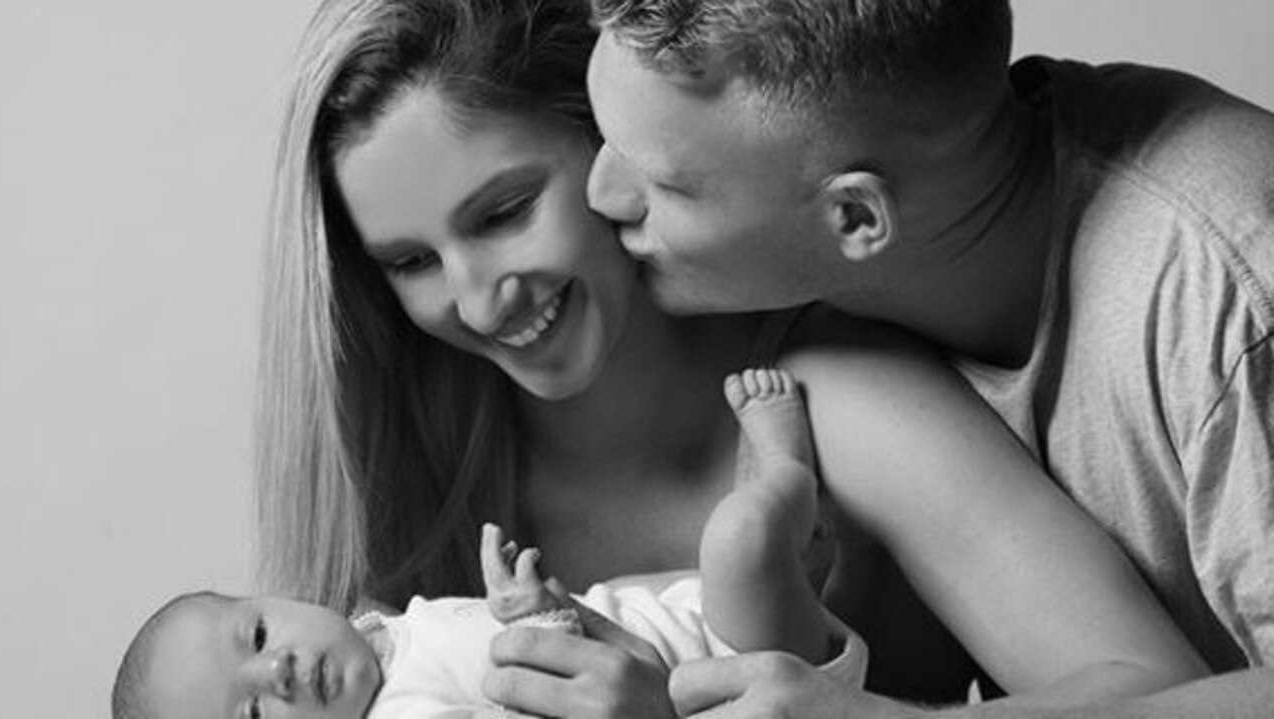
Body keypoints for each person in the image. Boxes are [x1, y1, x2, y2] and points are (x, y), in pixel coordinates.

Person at [258, 0, 1207, 716]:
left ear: (615, 148)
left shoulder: (835, 400)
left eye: (504, 213)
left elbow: (1153, 685)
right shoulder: (406, 467)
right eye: (410, 262)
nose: (474, 299)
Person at [583, 0, 1274, 717]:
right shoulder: (871, 305)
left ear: (854, 216)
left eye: (664, 183)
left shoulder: (1231, 292)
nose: (599, 193)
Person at [112, 375, 864, 719]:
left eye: (258, 632)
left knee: (727, 552)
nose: (275, 669)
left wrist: (529, 606)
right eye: (249, 716)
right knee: (738, 538)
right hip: (731, 678)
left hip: (680, 628)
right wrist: (543, 627)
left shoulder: (392, 635)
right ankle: (785, 473)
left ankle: (787, 550)